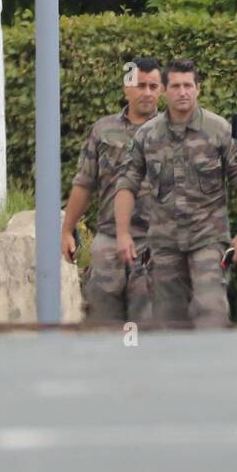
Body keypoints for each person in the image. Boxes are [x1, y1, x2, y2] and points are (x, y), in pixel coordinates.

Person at [114, 59, 237, 328]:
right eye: (176, 86)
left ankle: (215, 367)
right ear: (164, 90)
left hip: (208, 239)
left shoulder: (219, 129)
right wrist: (122, 234)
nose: (183, 92)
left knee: (212, 310)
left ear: (198, 88)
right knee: (168, 321)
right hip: (165, 244)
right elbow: (127, 184)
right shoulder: (147, 135)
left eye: (188, 85)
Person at [62, 57, 162, 323]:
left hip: (155, 241)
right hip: (108, 239)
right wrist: (66, 230)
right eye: (141, 85)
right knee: (102, 318)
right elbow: (84, 183)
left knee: (148, 321)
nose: (148, 93)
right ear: (126, 88)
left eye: (154, 86)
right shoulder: (104, 130)